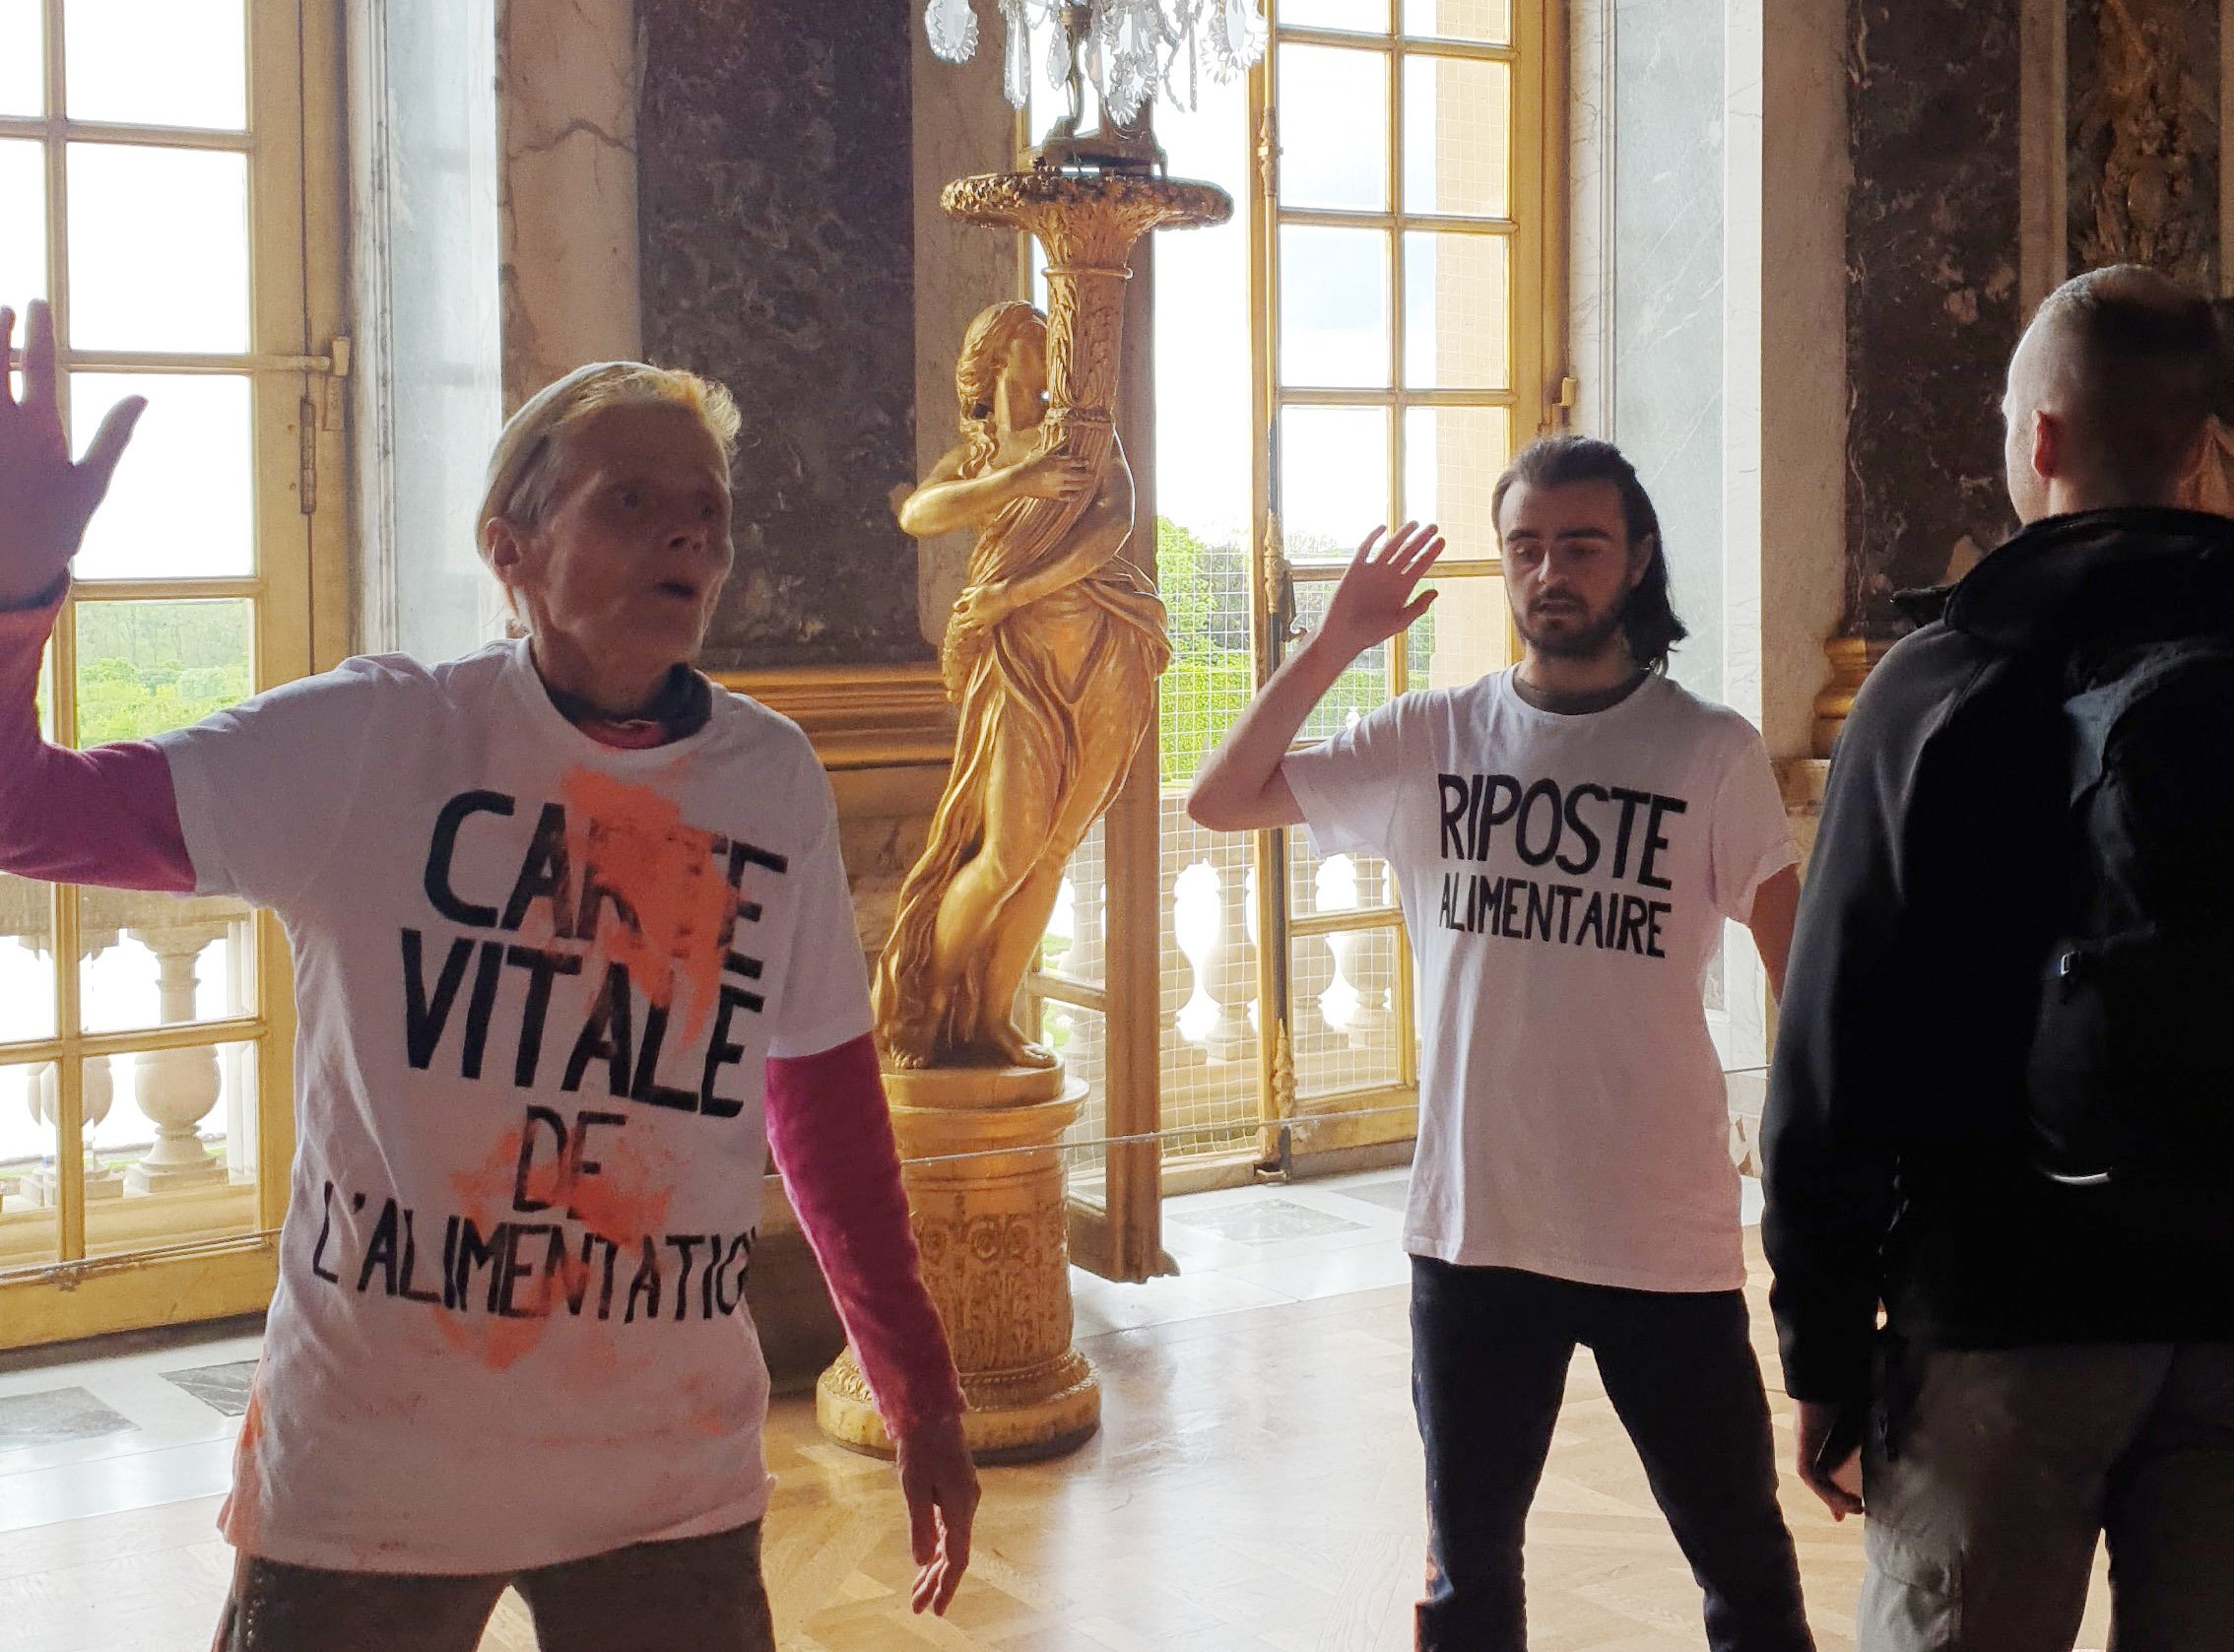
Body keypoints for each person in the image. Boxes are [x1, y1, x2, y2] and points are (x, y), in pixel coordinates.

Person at [0, 297, 978, 1651]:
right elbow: (23, 807)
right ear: (509, 551)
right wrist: (14, 597)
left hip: (665, 1475)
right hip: (378, 1477)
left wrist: (920, 1392)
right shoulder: (374, 742)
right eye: (630, 499)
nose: (689, 532)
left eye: (707, 508)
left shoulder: (770, 780)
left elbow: (822, 1113)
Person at [1189, 434, 1814, 1652]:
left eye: (1580, 546)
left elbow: (1805, 983)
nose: (1550, 573)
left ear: (1636, 562)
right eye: (1525, 548)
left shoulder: (1709, 751)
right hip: (1476, 1234)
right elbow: (1222, 795)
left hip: (1662, 1236)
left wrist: (1817, 1186)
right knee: (1469, 1585)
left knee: (1746, 1571)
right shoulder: (1435, 736)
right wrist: (1336, 644)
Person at [1762, 263, 2234, 1650]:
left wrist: (1824, 1350)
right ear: (2209, 442)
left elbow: (1832, 1044)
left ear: (2040, 437)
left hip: (1998, 1315)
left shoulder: (1938, 684)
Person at [877, 298, 1167, 1069]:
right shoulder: (982, 457)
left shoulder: (1084, 438)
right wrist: (1020, 478)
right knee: (1005, 851)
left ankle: (992, 1016)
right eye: (1039, 345)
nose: (1053, 362)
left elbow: (1114, 525)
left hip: (1102, 650)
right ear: (1000, 358)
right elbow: (921, 515)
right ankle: (931, 1006)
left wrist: (1012, 593)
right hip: (1019, 668)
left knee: (1055, 848)